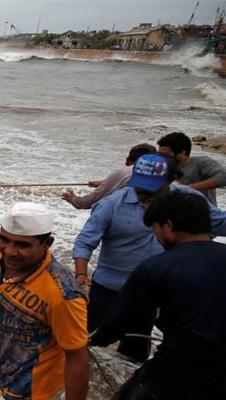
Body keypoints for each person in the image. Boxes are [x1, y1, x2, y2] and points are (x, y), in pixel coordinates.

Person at [72, 153, 226, 362]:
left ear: (171, 181)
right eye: (139, 184)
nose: (142, 191)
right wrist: (81, 274)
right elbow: (85, 240)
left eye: (151, 187)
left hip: (154, 292)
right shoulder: (111, 204)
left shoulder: (187, 201)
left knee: (135, 353)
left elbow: (218, 223)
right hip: (109, 288)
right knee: (81, 340)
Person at [0, 203, 89, 400]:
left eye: (22, 245)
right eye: (4, 239)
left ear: (47, 243)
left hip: (38, 391)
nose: (10, 251)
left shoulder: (63, 296)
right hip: (7, 374)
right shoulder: (0, 253)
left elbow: (77, 357)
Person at [91, 191, 225, 400]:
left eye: (155, 227)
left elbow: (119, 319)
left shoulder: (155, 267)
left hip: (176, 372)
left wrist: (94, 340)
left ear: (168, 225)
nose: (156, 235)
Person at [61, 144, 156, 209]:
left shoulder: (123, 173)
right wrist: (105, 183)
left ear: (127, 160)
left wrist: (73, 199)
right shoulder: (163, 175)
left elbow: (89, 202)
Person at [157, 131, 226, 205]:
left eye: (166, 154)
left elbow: (223, 177)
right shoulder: (161, 167)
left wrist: (186, 188)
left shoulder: (201, 163)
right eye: (159, 154)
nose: (161, 157)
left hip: (203, 214)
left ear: (182, 152)